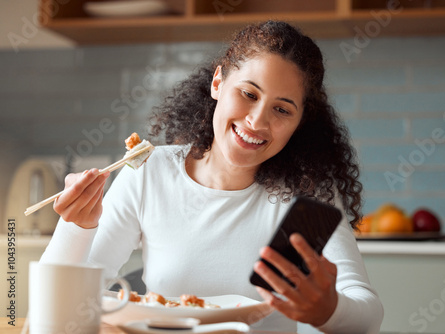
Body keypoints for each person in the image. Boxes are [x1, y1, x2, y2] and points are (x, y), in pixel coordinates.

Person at [41, 21, 384, 333]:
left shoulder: (306, 194)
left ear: (300, 121)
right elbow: (57, 312)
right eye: (248, 94)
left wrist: (329, 310)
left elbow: (368, 314)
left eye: (281, 109)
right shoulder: (149, 172)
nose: (257, 121)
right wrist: (75, 227)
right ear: (218, 82)